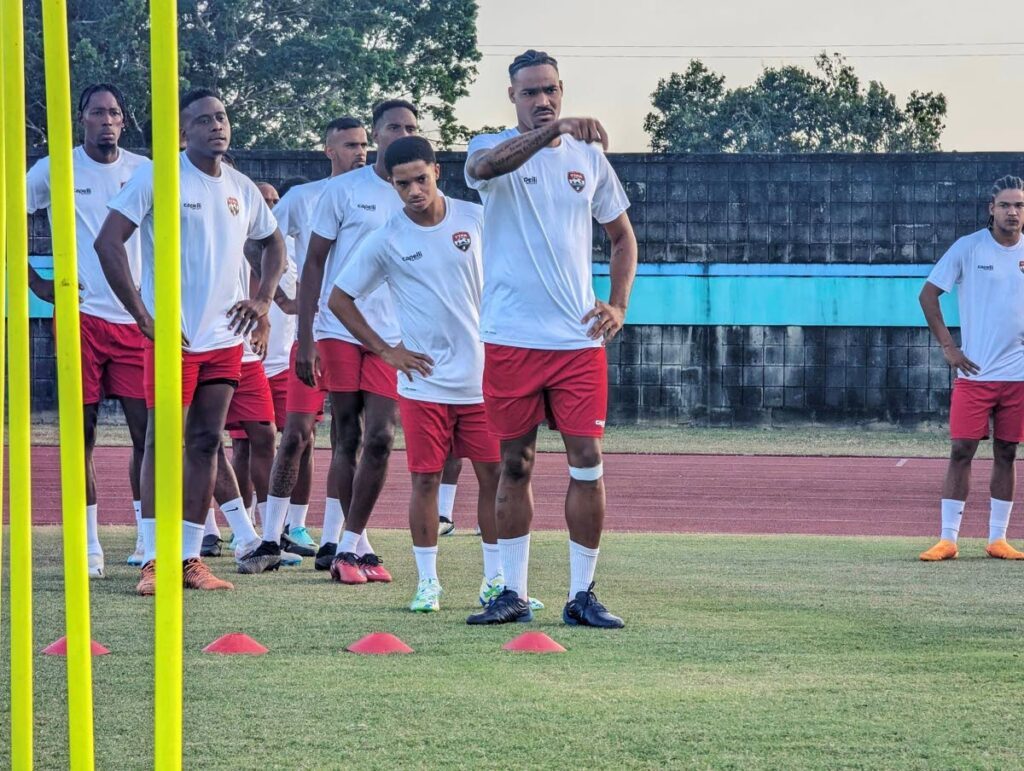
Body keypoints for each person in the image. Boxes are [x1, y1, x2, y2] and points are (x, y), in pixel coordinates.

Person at [463, 50, 637, 627]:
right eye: (530, 93)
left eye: (551, 91)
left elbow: (621, 238)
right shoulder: (486, 146)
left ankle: (582, 595)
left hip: (577, 341)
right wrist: (554, 132)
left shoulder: (590, 160)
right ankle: (511, 592)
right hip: (511, 337)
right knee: (515, 463)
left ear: (562, 89)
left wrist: (618, 305)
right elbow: (487, 170)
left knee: (587, 460)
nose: (543, 101)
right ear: (511, 98)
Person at [95, 88, 286, 595]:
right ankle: (154, 561)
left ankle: (187, 559)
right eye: (203, 120)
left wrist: (263, 300)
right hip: (174, 338)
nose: (216, 126)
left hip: (225, 341)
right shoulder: (159, 177)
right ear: (183, 132)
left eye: (221, 117)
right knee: (163, 443)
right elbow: (107, 242)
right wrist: (142, 314)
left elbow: (272, 243)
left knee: (205, 443)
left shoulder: (243, 188)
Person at [329, 135, 501, 612]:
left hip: (482, 379)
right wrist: (385, 350)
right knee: (424, 480)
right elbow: (339, 299)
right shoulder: (386, 239)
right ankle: (428, 583)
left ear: (437, 172)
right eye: (402, 184)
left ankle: (497, 581)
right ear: (391, 184)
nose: (413, 191)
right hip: (423, 384)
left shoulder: (476, 217)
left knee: (494, 479)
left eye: (420, 180)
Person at [255, 99, 419, 584]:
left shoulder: (421, 194)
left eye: (410, 126)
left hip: (392, 336)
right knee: (341, 434)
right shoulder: (342, 191)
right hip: (337, 329)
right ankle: (330, 545)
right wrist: (303, 334)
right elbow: (312, 265)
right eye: (392, 127)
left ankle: (347, 540)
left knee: (382, 438)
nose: (401, 133)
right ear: (377, 133)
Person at [26, 83, 149, 578]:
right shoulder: (54, 168)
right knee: (83, 433)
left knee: (151, 434)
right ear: (82, 119)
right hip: (81, 316)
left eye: (114, 113)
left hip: (136, 315)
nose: (106, 121)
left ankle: (148, 541)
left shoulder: (145, 170)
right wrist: (37, 282)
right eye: (97, 113)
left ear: (124, 121)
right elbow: (10, 215)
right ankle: (90, 544)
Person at [262, 120, 370, 569]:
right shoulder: (302, 198)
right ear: (329, 149)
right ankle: (269, 537)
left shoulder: (387, 195)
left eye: (365, 145)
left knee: (353, 438)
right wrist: (278, 296)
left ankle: (334, 539)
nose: (360, 152)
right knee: (296, 435)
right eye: (350, 145)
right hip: (317, 336)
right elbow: (260, 241)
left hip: (365, 337)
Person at [918, 174, 1024, 562]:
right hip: (976, 373)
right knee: (962, 449)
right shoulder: (968, 248)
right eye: (1006, 205)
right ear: (991, 210)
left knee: (1008, 452)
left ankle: (998, 539)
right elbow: (928, 295)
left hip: (1018, 376)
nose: (1013, 212)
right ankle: (948, 538)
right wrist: (949, 347)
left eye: (1019, 206)